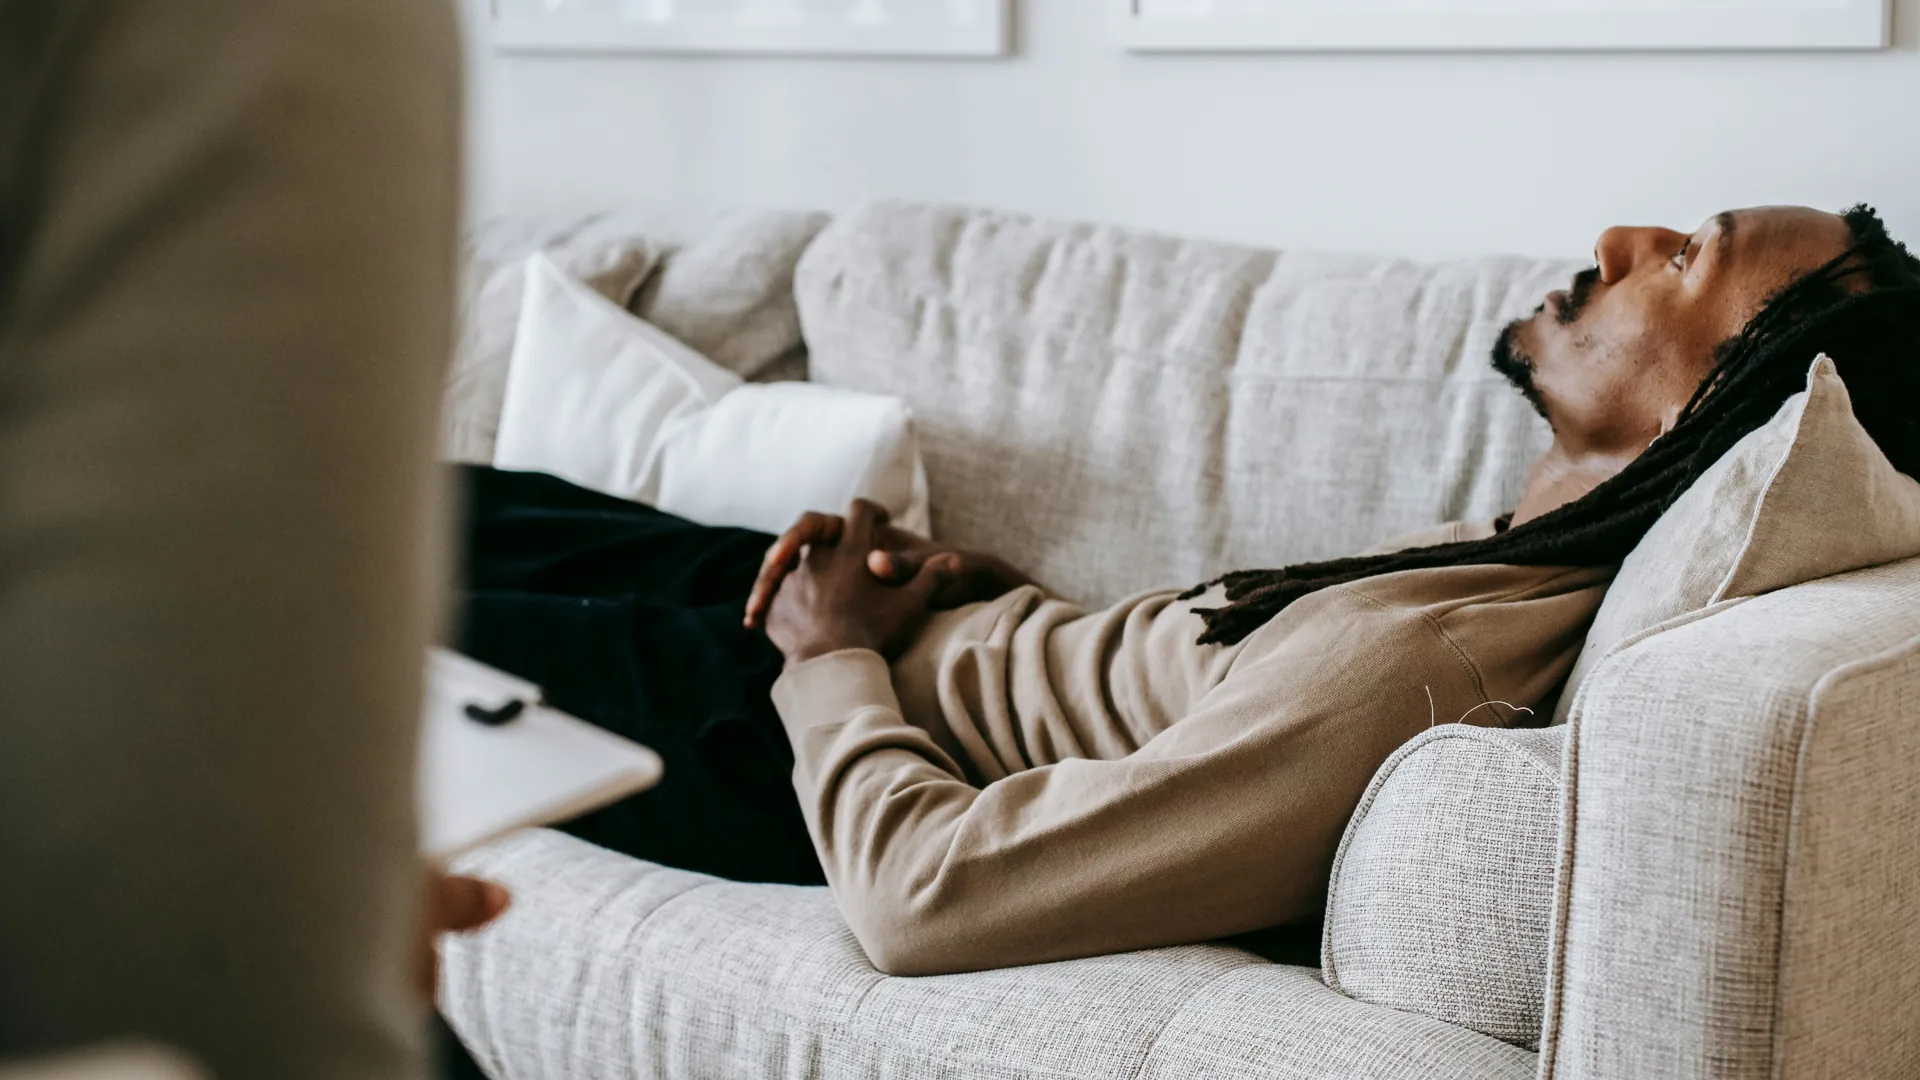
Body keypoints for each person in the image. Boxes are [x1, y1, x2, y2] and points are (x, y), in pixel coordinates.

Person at [448, 205, 1920, 989]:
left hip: (769, 729)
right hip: (848, 643)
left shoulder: (1430, 666)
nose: (1614, 241)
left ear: (1721, 402)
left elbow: (926, 899)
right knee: (401, 502)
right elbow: (1173, 694)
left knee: (319, 618)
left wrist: (828, 656)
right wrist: (992, 593)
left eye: (1682, 260)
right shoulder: (1494, 563)